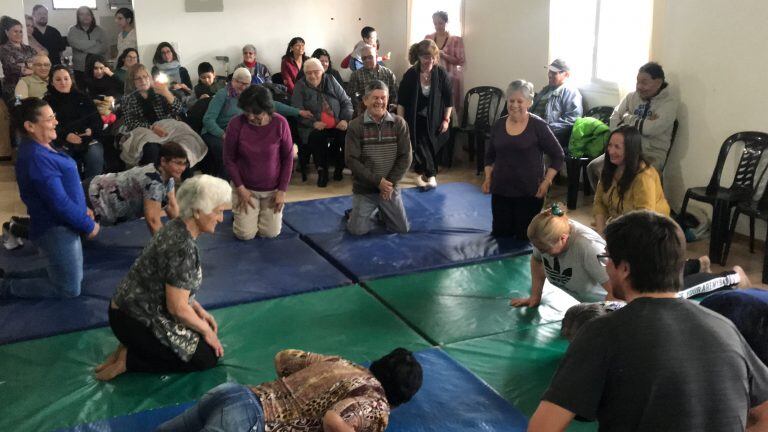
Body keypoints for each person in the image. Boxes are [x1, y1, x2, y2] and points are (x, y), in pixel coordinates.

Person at [528, 210, 768, 431]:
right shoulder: (724, 327)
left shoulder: (601, 332)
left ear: (623, 269)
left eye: (607, 259)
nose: (606, 266)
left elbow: (542, 428)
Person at [94, 175, 231, 381]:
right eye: (218, 211)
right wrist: (207, 333)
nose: (221, 218)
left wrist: (199, 311)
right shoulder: (183, 248)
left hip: (126, 312)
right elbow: (177, 309)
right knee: (207, 357)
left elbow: (174, 287)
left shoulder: (175, 226)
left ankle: (131, 345)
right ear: (197, 211)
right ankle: (130, 359)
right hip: (136, 321)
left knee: (202, 327)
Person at [156, 347, 423, 431]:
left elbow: (282, 358)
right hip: (248, 423)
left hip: (233, 394)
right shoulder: (377, 402)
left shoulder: (342, 364)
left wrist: (299, 390)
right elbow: (333, 419)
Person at [0, 98, 99, 299]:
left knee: (67, 277)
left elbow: (65, 190)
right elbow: (58, 203)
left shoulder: (43, 147)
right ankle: (5, 288)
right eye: (50, 118)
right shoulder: (36, 157)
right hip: (55, 228)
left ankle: (8, 278)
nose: (55, 122)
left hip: (66, 224)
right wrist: (88, 225)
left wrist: (82, 209)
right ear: (30, 126)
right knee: (69, 289)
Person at [481, 80, 564, 240]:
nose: (515, 105)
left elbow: (558, 155)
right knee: (500, 235)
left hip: (528, 193)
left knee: (524, 237)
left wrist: (546, 182)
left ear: (529, 103)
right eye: (511, 101)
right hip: (501, 191)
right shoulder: (499, 125)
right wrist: (488, 178)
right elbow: (489, 156)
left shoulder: (538, 126)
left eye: (520, 101)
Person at [202, 67, 310, 178]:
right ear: (233, 81)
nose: (244, 87)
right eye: (241, 83)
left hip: (235, 132)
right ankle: (223, 184)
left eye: (247, 84)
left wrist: (298, 112)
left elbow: (272, 104)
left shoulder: (249, 94)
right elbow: (208, 120)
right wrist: (223, 134)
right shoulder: (222, 95)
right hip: (214, 132)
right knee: (227, 152)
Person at [587, 62, 679, 187]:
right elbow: (614, 119)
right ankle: (607, 201)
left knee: (631, 175)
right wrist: (637, 123)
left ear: (658, 82)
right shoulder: (631, 97)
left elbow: (650, 129)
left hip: (651, 153)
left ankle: (629, 205)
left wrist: (627, 117)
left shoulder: (669, 103)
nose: (639, 87)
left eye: (644, 82)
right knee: (593, 167)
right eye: (637, 82)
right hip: (624, 149)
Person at [225, 85, 292, 240]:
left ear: (267, 110)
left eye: (256, 113)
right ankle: (239, 213)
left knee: (270, 233)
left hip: (272, 190)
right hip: (245, 188)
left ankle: (255, 214)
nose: (250, 117)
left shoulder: (280, 123)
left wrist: (282, 191)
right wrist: (240, 189)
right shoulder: (236, 124)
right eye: (247, 112)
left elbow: (288, 158)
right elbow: (229, 159)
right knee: (245, 235)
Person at [511, 204, 610, 307]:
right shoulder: (543, 237)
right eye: (539, 248)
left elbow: (616, 291)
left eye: (545, 249)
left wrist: (603, 318)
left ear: (563, 238)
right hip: (582, 302)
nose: (542, 253)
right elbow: (537, 260)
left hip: (603, 304)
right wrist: (535, 296)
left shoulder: (589, 247)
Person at [346, 80, 412, 236]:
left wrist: (389, 184)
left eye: (383, 97)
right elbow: (352, 160)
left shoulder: (399, 123)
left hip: (389, 188)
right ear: (365, 100)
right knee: (357, 231)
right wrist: (378, 182)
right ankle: (354, 213)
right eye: (375, 98)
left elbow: (406, 157)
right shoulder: (355, 126)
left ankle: (381, 211)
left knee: (402, 229)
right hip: (365, 190)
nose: (380, 101)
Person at [86, 141, 184, 236]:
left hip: (99, 200)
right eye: (178, 163)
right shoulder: (153, 182)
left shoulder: (167, 177)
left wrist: (185, 235)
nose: (182, 168)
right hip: (90, 197)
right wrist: (169, 248)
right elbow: (153, 221)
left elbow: (171, 206)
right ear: (163, 161)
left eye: (184, 163)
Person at [120, 63, 206, 169]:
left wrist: (166, 93)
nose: (143, 80)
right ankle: (156, 179)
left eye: (145, 76)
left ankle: (182, 175)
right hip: (145, 130)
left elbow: (178, 109)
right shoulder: (128, 98)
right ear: (132, 82)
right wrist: (152, 128)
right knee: (151, 148)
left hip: (169, 127)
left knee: (187, 143)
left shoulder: (160, 90)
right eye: (138, 78)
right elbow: (131, 122)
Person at [593, 125, 670, 235]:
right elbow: (599, 203)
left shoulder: (644, 176)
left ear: (630, 150)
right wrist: (600, 235)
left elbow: (644, 218)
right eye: (610, 145)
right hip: (622, 226)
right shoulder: (609, 168)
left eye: (617, 147)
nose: (611, 151)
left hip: (650, 231)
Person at [397, 39, 452, 189]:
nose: (430, 61)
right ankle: (432, 175)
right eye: (426, 57)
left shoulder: (441, 74)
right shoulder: (410, 74)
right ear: (419, 57)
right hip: (414, 118)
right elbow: (401, 101)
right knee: (421, 143)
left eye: (433, 57)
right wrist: (401, 122)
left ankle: (422, 173)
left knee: (430, 146)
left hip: (435, 119)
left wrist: (446, 120)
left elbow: (449, 101)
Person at [292, 58, 353, 187]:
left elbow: (346, 102)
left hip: (337, 122)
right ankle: (322, 170)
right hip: (314, 125)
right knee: (316, 137)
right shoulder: (300, 86)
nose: (312, 76)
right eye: (309, 73)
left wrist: (344, 119)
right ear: (304, 73)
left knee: (347, 137)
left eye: (316, 72)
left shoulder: (330, 80)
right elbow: (297, 111)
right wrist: (313, 123)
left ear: (322, 71)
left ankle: (339, 166)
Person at [45, 65, 104, 179]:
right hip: (61, 141)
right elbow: (47, 126)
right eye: (58, 79)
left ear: (71, 80)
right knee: (65, 161)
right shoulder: (47, 102)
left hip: (87, 139)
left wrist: (91, 130)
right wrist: (66, 136)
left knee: (95, 155)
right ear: (52, 83)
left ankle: (90, 190)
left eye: (66, 78)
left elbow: (97, 121)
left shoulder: (83, 97)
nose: (63, 82)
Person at [529, 58, 582, 148]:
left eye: (554, 73)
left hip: (549, 136)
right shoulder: (546, 89)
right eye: (549, 71)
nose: (550, 75)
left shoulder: (570, 92)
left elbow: (572, 119)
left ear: (566, 74)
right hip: (532, 131)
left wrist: (546, 129)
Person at [425, 11, 465, 118]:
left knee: (450, 107)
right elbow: (423, 56)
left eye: (441, 23)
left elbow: (460, 60)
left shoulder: (456, 40)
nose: (438, 26)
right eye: (435, 23)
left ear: (447, 23)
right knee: (432, 105)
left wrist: (444, 55)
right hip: (431, 77)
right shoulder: (428, 38)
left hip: (450, 78)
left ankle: (450, 129)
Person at [347, 45, 397, 114]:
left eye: (370, 57)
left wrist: (389, 111)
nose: (367, 60)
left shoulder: (388, 74)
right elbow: (351, 97)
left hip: (385, 111)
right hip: (364, 112)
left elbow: (395, 95)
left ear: (376, 57)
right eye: (364, 58)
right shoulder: (356, 75)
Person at [67, 6, 108, 88]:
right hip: (79, 69)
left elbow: (103, 47)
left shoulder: (101, 31)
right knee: (82, 93)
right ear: (78, 17)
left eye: (88, 14)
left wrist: (83, 49)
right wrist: (95, 42)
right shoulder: (72, 30)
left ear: (92, 16)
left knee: (98, 94)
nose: (85, 16)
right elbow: (75, 44)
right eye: (82, 14)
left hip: (97, 69)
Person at [0, 16, 37, 101]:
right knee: (19, 112)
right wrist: (30, 68)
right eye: (15, 31)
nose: (19, 34)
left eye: (20, 32)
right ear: (6, 32)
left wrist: (32, 67)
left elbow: (38, 61)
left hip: (31, 87)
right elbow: (12, 67)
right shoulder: (3, 49)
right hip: (14, 90)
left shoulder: (28, 48)